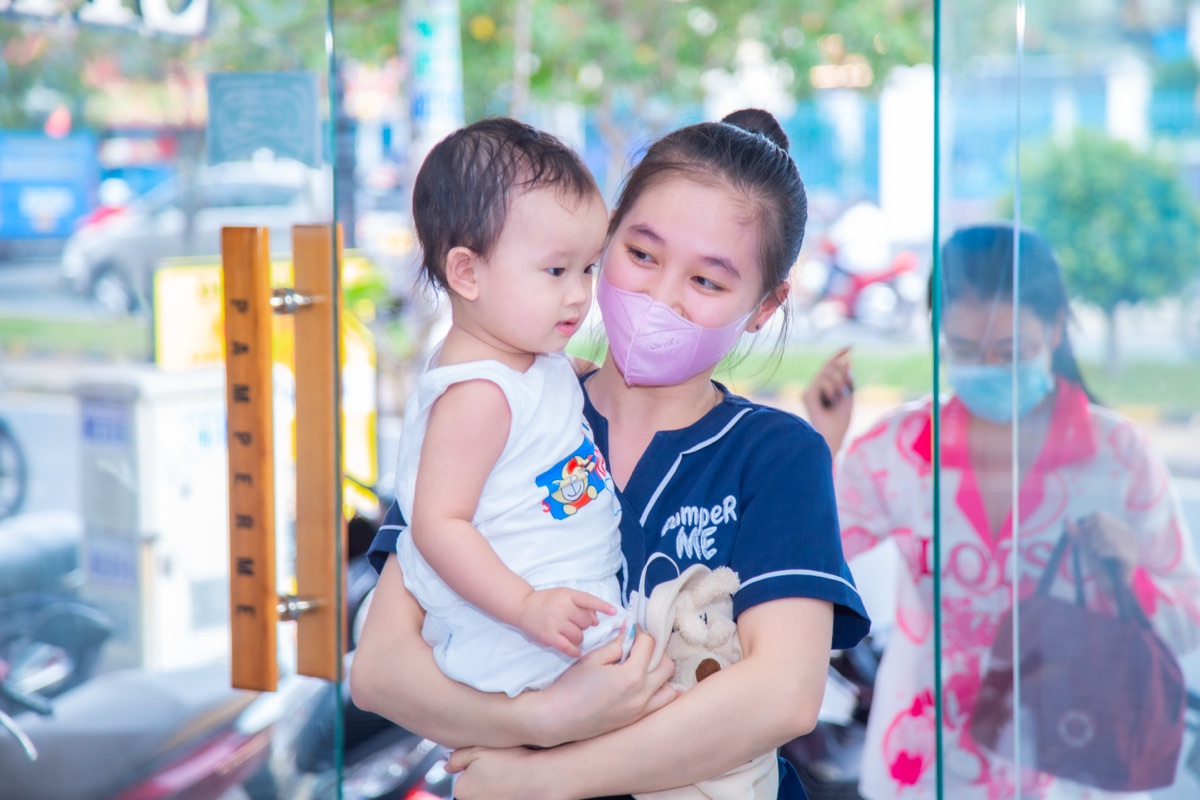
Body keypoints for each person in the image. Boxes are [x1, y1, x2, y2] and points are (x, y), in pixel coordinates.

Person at [350, 108, 871, 800]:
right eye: (642, 254)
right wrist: (539, 715)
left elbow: (781, 695)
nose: (660, 297)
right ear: (606, 233)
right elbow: (381, 668)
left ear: (764, 307)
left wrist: (546, 776)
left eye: (707, 282)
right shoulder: (503, 406)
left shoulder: (776, 456)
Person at [803, 223, 1200, 800]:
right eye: (963, 351)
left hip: (1068, 766)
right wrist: (823, 447)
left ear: (1055, 328)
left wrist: (1129, 576)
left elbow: (1187, 617)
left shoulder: (1116, 457)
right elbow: (811, 563)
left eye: (1009, 351)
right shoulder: (901, 450)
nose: (987, 367)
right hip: (923, 766)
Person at [389, 117, 630, 698]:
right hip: (521, 645)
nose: (578, 293)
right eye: (555, 271)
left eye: (588, 268)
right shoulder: (479, 396)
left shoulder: (530, 355)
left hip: (565, 623)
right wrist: (524, 607)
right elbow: (437, 524)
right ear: (467, 272)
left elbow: (558, 387)